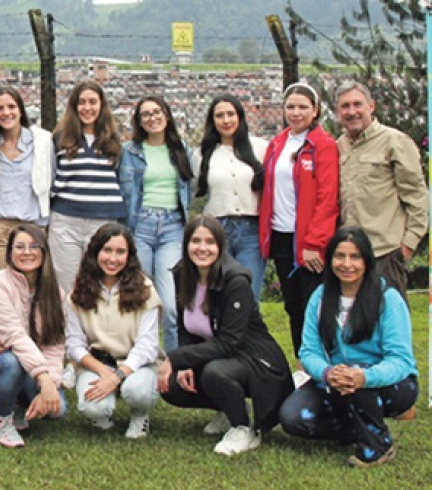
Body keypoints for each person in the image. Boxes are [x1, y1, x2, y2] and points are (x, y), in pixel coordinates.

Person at [279, 226, 418, 468]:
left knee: (358, 384)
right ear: (330, 259)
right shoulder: (320, 297)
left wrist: (364, 377)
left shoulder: (388, 299)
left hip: (390, 385)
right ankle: (358, 427)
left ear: (366, 260)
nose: (347, 264)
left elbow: (401, 360)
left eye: (355, 257)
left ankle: (378, 445)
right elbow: (309, 351)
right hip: (338, 379)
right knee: (293, 417)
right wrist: (327, 373)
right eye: (340, 256)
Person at [158, 215, 292, 456]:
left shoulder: (235, 280)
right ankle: (225, 409)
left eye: (209, 241)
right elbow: (185, 325)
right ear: (186, 244)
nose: (202, 248)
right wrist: (185, 363)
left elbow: (229, 343)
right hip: (222, 355)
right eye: (195, 241)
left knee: (215, 373)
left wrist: (177, 358)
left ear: (220, 245)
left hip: (256, 360)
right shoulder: (183, 273)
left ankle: (243, 428)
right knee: (172, 385)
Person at [0, 223, 68, 448]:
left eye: (33, 246)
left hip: (27, 362)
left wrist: (51, 383)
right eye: (19, 247)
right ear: (10, 252)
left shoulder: (55, 293)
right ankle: (2, 421)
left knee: (58, 410)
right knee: (11, 362)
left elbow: (55, 346)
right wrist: (43, 379)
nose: (27, 252)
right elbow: (15, 337)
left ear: (44, 252)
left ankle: (21, 404)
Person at [259, 82, 339, 359]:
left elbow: (327, 199)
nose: (296, 112)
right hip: (282, 236)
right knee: (293, 306)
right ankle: (304, 365)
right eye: (290, 107)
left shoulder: (323, 146)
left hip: (308, 239)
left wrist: (314, 242)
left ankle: (325, 363)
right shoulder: (277, 143)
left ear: (315, 110)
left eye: (303, 107)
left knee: (314, 306)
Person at [65, 223, 162, 439]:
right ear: (95, 252)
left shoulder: (144, 288)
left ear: (129, 256)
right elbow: (74, 343)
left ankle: (140, 414)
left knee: (137, 391)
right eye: (107, 250)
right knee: (93, 407)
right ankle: (103, 417)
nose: (112, 258)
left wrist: (118, 375)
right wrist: (102, 371)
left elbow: (148, 346)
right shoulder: (79, 290)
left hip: (136, 364)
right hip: (98, 362)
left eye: (120, 252)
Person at [334, 80, 428, 298]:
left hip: (384, 252)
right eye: (345, 106)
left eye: (358, 104)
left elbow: (417, 197)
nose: (352, 112)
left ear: (371, 106)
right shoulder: (339, 146)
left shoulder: (394, 142)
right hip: (349, 255)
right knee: (354, 324)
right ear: (338, 112)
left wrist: (407, 247)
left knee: (390, 323)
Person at [119, 95, 194, 352]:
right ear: (139, 122)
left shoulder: (182, 149)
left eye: (157, 112)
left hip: (172, 227)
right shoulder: (129, 152)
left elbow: (189, 190)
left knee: (171, 304)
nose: (152, 118)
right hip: (140, 225)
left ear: (167, 115)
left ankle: (172, 364)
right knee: (139, 298)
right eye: (146, 115)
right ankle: (139, 356)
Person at [49, 80, 126, 293]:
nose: (87, 108)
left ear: (102, 105)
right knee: (67, 287)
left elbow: (120, 180)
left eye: (93, 102)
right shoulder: (60, 139)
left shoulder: (114, 142)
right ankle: (68, 327)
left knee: (99, 286)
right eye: (81, 102)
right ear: (74, 107)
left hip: (103, 221)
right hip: (66, 221)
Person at [193, 94, 267, 301]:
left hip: (251, 229)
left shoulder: (260, 148)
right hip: (218, 228)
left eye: (230, 114)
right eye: (219, 116)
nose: (226, 121)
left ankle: (248, 334)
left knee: (249, 295)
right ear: (212, 121)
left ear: (240, 117)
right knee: (219, 294)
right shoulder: (202, 154)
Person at [0, 86, 55, 280]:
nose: (6, 113)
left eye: (11, 106)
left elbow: (51, 180)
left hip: (30, 229)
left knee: (31, 289)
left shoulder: (42, 142)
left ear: (21, 109)